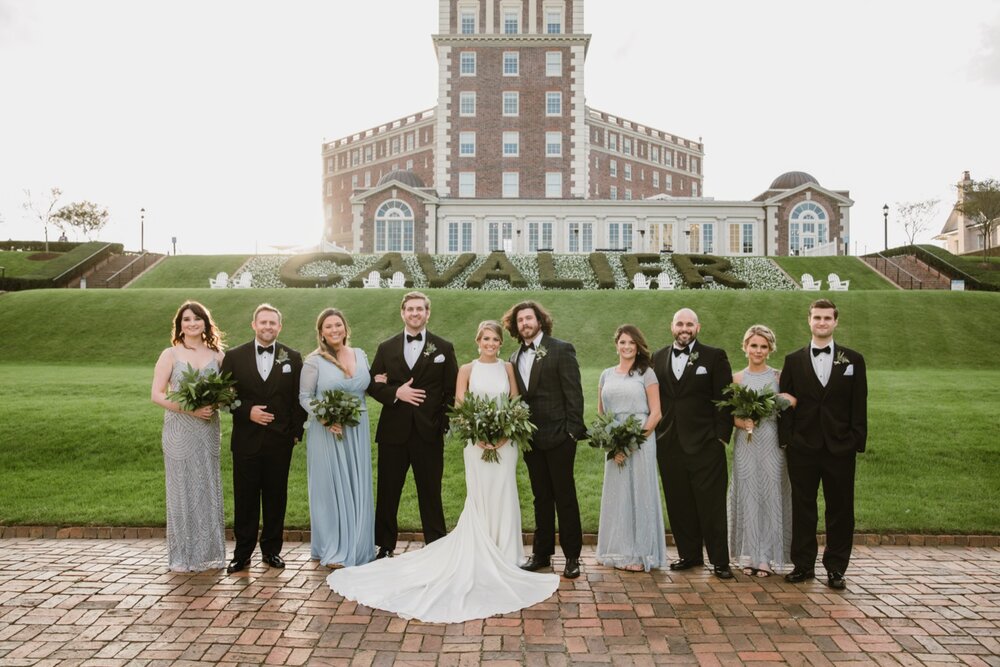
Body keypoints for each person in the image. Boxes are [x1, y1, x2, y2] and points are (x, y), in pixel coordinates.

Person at [326, 321, 560, 623]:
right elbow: (457, 403)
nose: (490, 343)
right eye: (485, 338)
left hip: (503, 442)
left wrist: (502, 435)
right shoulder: (463, 367)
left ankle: (505, 553)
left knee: (502, 491)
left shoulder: (504, 367)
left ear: (500, 343)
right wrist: (476, 434)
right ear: (477, 341)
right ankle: (386, 545)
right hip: (470, 443)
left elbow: (514, 403)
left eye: (495, 339)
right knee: (411, 490)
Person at [779, 299, 867, 590]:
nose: (822, 322)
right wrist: (788, 440)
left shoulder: (853, 360)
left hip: (840, 447)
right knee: (803, 508)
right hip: (802, 447)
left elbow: (859, 404)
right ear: (809, 320)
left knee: (840, 509)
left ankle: (836, 568)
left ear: (836, 322)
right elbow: (785, 404)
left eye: (827, 318)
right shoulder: (793, 360)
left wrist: (856, 440)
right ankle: (803, 565)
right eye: (817, 317)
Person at [367, 291, 459, 558]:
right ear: (402, 313)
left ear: (427, 313)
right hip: (393, 432)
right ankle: (384, 545)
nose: (415, 313)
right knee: (388, 491)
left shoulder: (443, 347)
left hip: (428, 432)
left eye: (420, 309)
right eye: (410, 309)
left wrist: (441, 423)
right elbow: (372, 384)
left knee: (430, 491)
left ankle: (436, 545)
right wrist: (396, 393)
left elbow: (452, 390)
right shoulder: (387, 347)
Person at [220, 303, 306, 574]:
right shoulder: (234, 356)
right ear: (254, 325)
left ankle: (271, 551)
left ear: (279, 327)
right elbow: (224, 396)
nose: (268, 327)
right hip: (246, 439)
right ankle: (242, 553)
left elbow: (298, 399)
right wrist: (248, 411)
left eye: (273, 323)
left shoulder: (292, 357)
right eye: (263, 322)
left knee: (275, 497)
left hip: (280, 442)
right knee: (245, 498)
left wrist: (295, 433)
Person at [503, 301, 586, 579]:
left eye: (529, 318)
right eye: (520, 320)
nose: (525, 323)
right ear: (515, 327)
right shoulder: (514, 357)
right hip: (531, 440)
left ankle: (573, 557)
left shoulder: (561, 349)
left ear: (540, 320)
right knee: (541, 497)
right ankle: (541, 553)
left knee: (565, 496)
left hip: (561, 437)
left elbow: (574, 394)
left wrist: (572, 433)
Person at [652, 308, 735, 579]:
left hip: (705, 445)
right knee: (679, 503)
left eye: (689, 324)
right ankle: (689, 555)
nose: (684, 328)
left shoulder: (714, 356)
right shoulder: (659, 357)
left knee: (711, 505)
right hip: (669, 444)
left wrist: (720, 438)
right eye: (679, 324)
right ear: (671, 326)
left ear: (697, 327)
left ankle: (720, 561)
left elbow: (725, 400)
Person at [150, 301, 227, 572]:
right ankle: (184, 554)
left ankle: (208, 553)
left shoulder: (218, 356)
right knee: (182, 488)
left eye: (197, 318)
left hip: (207, 429)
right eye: (186, 319)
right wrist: (190, 409)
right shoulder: (170, 354)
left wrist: (217, 403)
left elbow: (228, 393)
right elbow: (157, 394)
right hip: (180, 429)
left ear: (206, 323)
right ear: (179, 325)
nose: (191, 323)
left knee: (206, 485)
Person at [299, 308, 374, 568]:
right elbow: (305, 397)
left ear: (345, 328)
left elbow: (369, 384)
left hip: (357, 427)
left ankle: (359, 544)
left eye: (338, 325)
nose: (334, 330)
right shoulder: (313, 361)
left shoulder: (361, 354)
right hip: (328, 430)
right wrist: (325, 417)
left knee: (357, 483)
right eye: (328, 327)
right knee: (329, 487)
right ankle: (332, 547)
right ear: (321, 332)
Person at [595, 325, 667, 572]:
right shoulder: (605, 375)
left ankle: (641, 554)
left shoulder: (646, 373)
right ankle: (619, 548)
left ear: (638, 346)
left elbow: (656, 413)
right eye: (623, 342)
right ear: (616, 344)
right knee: (619, 495)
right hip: (615, 441)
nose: (627, 347)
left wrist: (632, 443)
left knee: (640, 493)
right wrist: (612, 442)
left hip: (641, 439)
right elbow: (601, 414)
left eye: (631, 343)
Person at [727, 324, 797, 578]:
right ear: (745, 347)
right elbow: (728, 416)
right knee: (747, 495)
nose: (758, 350)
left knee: (770, 495)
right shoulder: (737, 379)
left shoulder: (778, 377)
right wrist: (742, 421)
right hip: (746, 445)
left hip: (771, 443)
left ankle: (767, 557)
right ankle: (749, 555)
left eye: (763, 346)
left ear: (770, 349)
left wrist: (782, 402)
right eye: (754, 345)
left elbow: (793, 400)